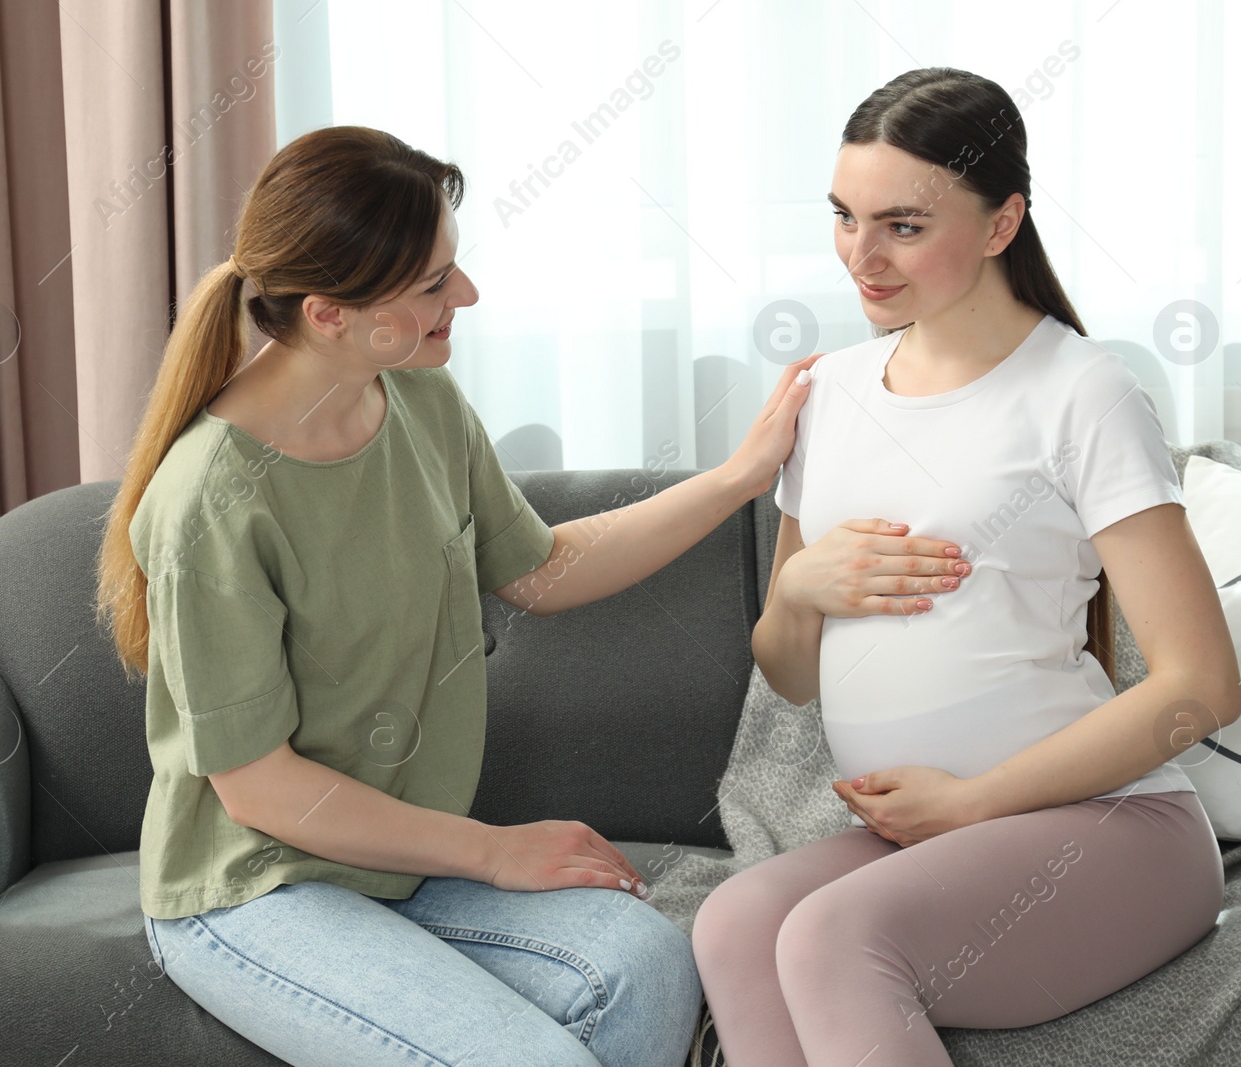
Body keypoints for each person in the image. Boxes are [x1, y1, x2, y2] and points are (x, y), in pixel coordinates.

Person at [93, 124, 820, 1067]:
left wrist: (737, 478)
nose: (465, 296)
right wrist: (493, 850)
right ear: (327, 314)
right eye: (434, 283)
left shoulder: (419, 401)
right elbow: (260, 787)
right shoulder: (210, 502)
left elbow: (544, 569)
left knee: (649, 963)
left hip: (395, 867)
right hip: (257, 885)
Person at [689, 68, 1239, 1067]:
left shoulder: (1081, 393)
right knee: (731, 923)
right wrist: (800, 594)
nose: (861, 254)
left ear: (1000, 223)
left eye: (902, 224)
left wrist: (972, 801)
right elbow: (790, 671)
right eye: (844, 217)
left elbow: (1200, 687)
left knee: (827, 934)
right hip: (932, 836)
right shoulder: (829, 393)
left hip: (1111, 832)